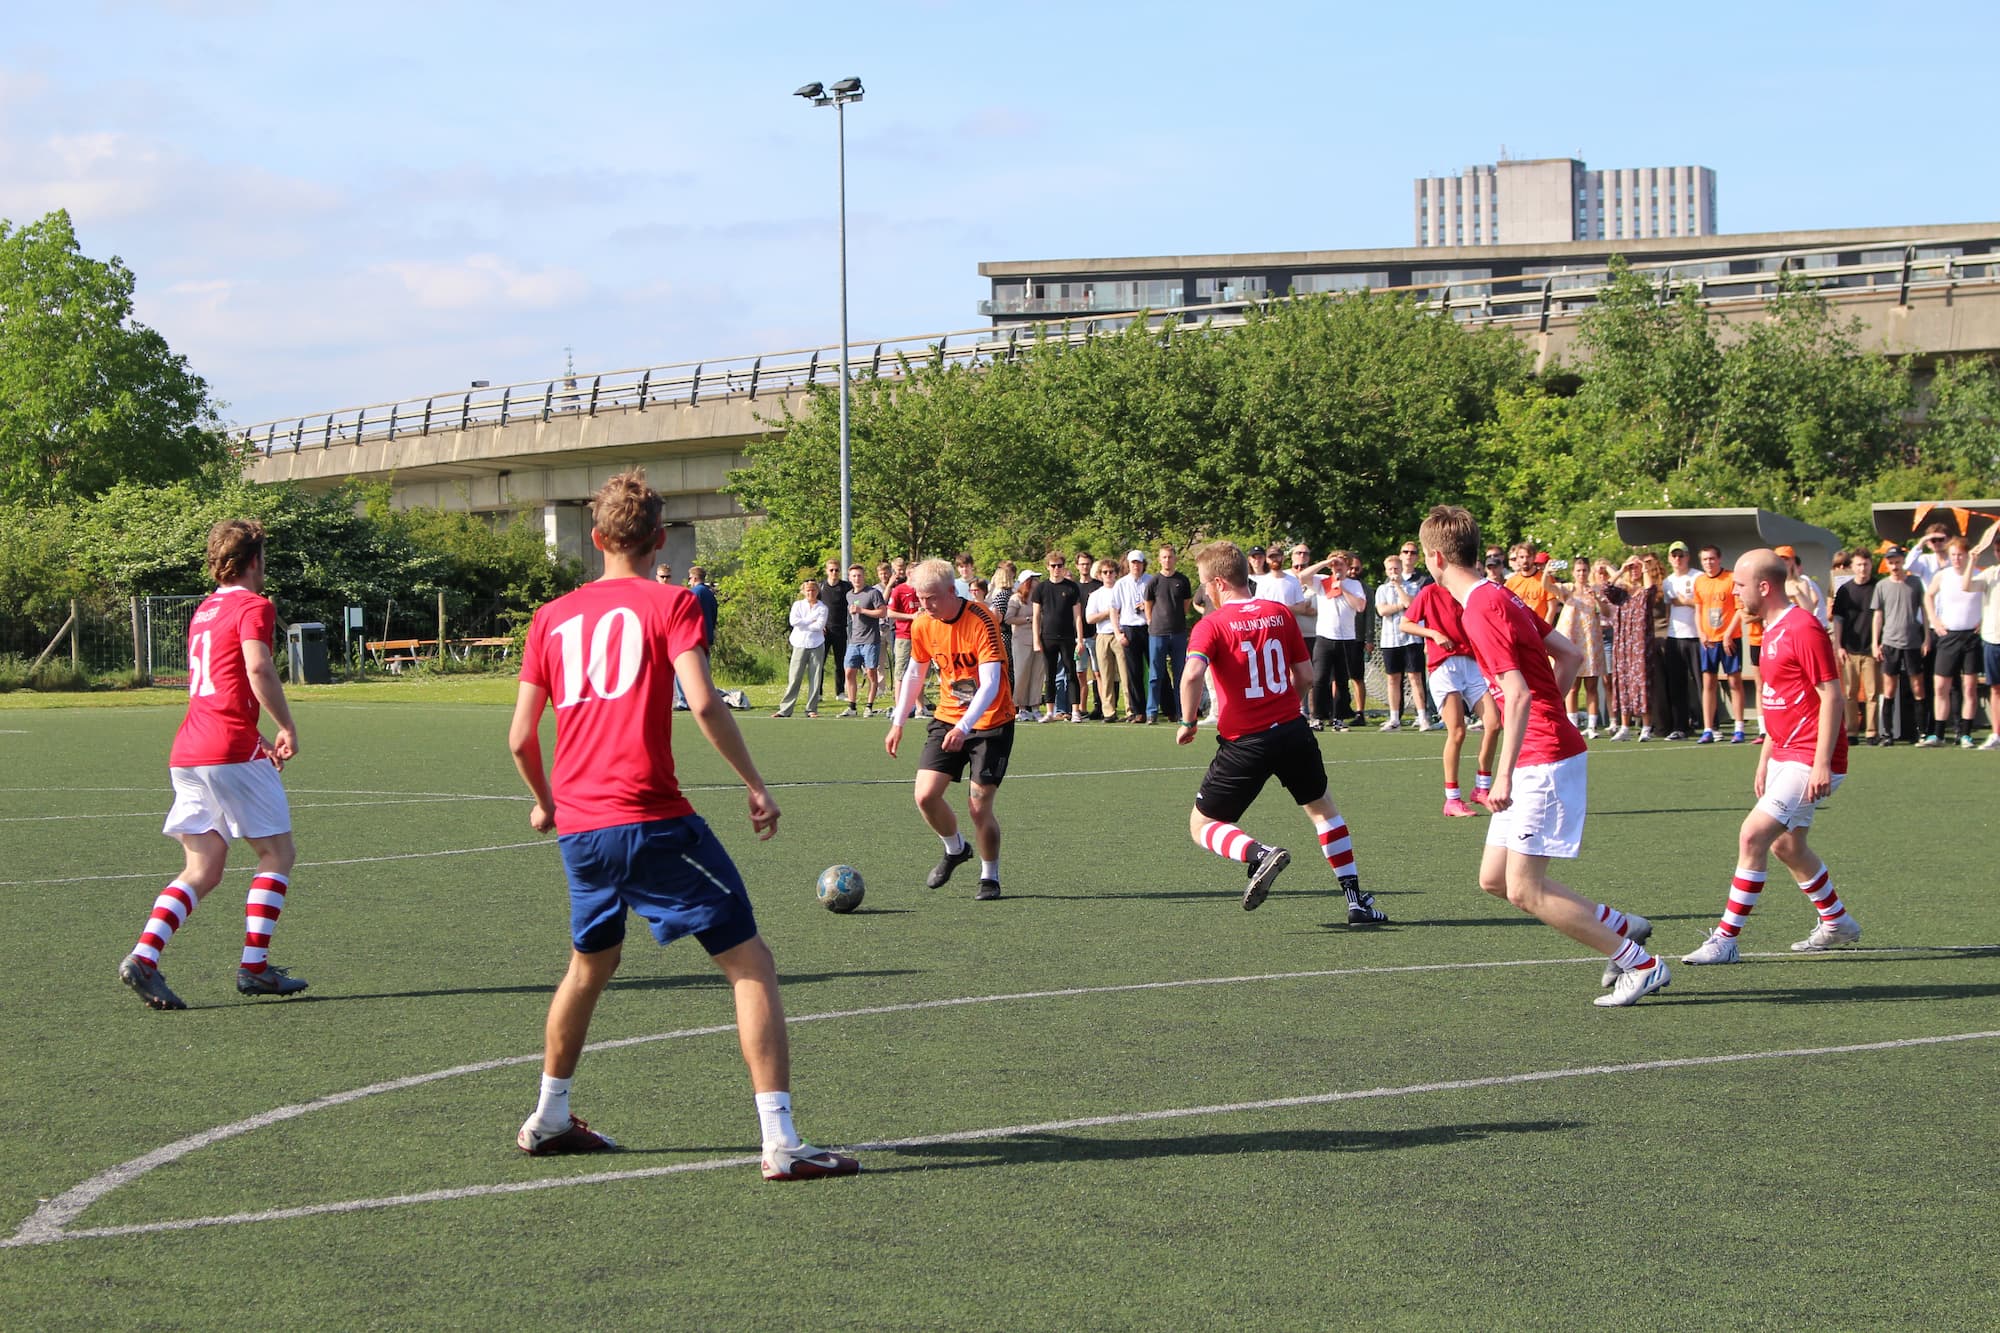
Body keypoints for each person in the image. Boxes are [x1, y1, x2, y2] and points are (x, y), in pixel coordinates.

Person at [507, 471, 858, 1179]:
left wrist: (546, 799)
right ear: (659, 539)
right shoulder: (671, 603)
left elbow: (519, 736)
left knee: (592, 963)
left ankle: (548, 1115)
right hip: (647, 817)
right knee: (750, 961)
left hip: (581, 830)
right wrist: (755, 784)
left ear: (597, 539)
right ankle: (782, 1141)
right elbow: (702, 702)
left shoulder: (550, 616)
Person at [1418, 505, 1668, 1007]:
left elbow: (1518, 693)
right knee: (1494, 879)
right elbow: (1570, 655)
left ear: (1436, 557)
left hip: (1542, 759)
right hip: (1542, 748)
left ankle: (1640, 964)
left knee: (1525, 890)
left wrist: (1501, 774)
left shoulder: (1480, 607)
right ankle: (1624, 927)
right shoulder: (1501, 594)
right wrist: (1546, 713)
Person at [118, 519, 308, 1010]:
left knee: (202, 866)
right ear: (254, 560)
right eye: (264, 557)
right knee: (276, 854)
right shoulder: (254, 605)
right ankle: (254, 967)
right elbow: (257, 667)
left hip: (189, 751)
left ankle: (145, 956)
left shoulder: (204, 611)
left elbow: (218, 688)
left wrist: (258, 736)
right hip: (226, 749)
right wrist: (285, 725)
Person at [1175, 540, 1386, 924]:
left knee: (1201, 825)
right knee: (1325, 813)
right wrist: (1286, 705)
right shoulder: (1278, 614)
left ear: (1219, 582)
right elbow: (1305, 676)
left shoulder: (1213, 624)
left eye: (1206, 584)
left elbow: (1192, 674)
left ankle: (1258, 854)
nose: (1205, 591)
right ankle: (1356, 901)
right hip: (1292, 731)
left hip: (1246, 742)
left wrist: (1188, 721)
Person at [1681, 550, 1859, 966]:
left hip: (1809, 755)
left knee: (1752, 835)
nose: (1734, 592)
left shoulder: (1803, 627)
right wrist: (1765, 757)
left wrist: (1821, 763)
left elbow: (1831, 695)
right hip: (1784, 752)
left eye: (1739, 586)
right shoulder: (1769, 629)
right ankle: (1838, 922)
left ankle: (1725, 940)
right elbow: (1778, 701)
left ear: (1764, 587)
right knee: (1786, 846)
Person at [885, 559, 1015, 901]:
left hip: (990, 722)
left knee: (978, 806)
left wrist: (964, 726)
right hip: (947, 717)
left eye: (930, 598)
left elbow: (990, 685)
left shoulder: (981, 620)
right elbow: (916, 672)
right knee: (925, 795)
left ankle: (990, 876)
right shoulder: (923, 624)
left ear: (950, 591)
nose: (924, 605)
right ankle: (955, 849)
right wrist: (898, 721)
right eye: (919, 599)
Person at [1399, 571, 1501, 816]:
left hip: (1473, 664)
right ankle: (1452, 799)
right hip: (1444, 666)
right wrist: (1433, 634)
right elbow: (1406, 622)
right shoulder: (1430, 592)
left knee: (1494, 723)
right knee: (1457, 731)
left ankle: (1482, 789)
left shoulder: (1471, 592)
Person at [1920, 535, 1986, 747]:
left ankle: (1965, 733)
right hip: (1948, 636)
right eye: (1953, 555)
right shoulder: (1942, 576)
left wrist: (1983, 621)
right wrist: (1935, 621)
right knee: (1940, 686)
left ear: (1967, 555)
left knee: (1969, 687)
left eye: (1960, 555)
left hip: (1971, 637)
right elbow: (1928, 596)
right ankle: (1938, 734)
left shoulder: (1978, 575)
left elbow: (1991, 600)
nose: (1956, 559)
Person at [1870, 545, 1927, 745]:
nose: (1895, 566)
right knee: (1889, 687)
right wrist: (1875, 643)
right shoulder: (1882, 586)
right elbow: (1877, 615)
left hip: (1912, 641)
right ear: (1887, 563)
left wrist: (1927, 637)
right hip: (1890, 641)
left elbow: (1925, 611)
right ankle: (1887, 733)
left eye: (1897, 561)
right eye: (1891, 562)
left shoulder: (1915, 582)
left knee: (1918, 685)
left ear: (1903, 561)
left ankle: (1922, 731)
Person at [1692, 544, 1746, 744]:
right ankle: (1708, 729)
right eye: (1705, 559)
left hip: (1730, 639)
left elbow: (1740, 609)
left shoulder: (1731, 579)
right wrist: (1701, 633)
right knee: (1708, 683)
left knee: (1734, 682)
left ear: (1719, 559)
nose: (1709, 562)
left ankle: (1739, 727)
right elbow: (1698, 610)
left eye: (1712, 558)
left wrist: (1728, 635)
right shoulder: (1699, 581)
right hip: (1709, 641)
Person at [1608, 553, 1659, 742]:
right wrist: (1622, 569)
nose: (1634, 570)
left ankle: (1646, 727)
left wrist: (1644, 567)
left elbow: (1650, 589)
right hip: (1623, 644)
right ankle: (1625, 726)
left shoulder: (1644, 593)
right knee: (1623, 682)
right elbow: (1607, 588)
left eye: (1636, 567)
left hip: (1640, 643)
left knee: (1642, 682)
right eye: (1633, 567)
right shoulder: (1621, 595)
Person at [1829, 551, 1878, 743]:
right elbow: (1838, 619)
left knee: (1873, 694)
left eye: (1865, 564)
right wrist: (1839, 645)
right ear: (1852, 567)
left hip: (1871, 649)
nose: (1862, 569)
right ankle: (1851, 732)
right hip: (1849, 649)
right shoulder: (1845, 590)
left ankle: (1872, 732)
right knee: (1849, 692)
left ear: (1871, 565)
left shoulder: (1878, 587)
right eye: (1858, 565)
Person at [1375, 553, 1424, 731]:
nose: (1394, 572)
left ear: (1401, 569)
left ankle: (1422, 716)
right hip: (1390, 640)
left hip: (1411, 638)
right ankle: (1394, 718)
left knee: (1415, 677)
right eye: (1390, 569)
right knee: (1393, 679)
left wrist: (1398, 587)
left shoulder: (1413, 586)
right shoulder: (1381, 589)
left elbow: (1411, 604)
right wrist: (1399, 606)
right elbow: (1382, 610)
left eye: (1396, 568)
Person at [1146, 544, 1194, 724]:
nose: (1167, 560)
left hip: (1178, 633)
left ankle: (1182, 711)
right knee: (1155, 676)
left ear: (1175, 559)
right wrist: (1152, 622)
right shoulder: (1154, 581)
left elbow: (1186, 604)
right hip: (1157, 633)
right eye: (1164, 557)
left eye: (1170, 557)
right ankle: (1152, 712)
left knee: (1180, 675)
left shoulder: (1182, 580)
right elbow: (1148, 604)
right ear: (1159, 559)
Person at [1032, 552, 1083, 723]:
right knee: (1050, 674)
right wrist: (1036, 640)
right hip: (1048, 637)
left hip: (1068, 637)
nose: (1056, 569)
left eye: (1059, 566)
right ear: (1048, 567)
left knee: (1071, 672)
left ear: (1064, 567)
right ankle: (1050, 711)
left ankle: (1075, 711)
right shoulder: (1041, 588)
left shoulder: (1071, 587)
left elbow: (1077, 616)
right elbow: (1037, 615)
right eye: (1053, 566)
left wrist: (1080, 640)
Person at [771, 579, 827, 719]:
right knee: (795, 677)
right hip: (799, 643)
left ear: (817, 591)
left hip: (816, 644)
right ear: (803, 591)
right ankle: (785, 709)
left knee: (815, 678)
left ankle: (811, 709)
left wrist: (804, 623)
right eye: (808, 590)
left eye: (813, 590)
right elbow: (794, 622)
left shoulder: (822, 608)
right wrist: (809, 620)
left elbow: (819, 626)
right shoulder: (798, 605)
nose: (810, 593)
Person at [1662, 540, 1701, 738]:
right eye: (1674, 555)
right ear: (1670, 558)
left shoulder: (1697, 577)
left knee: (1702, 682)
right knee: (1676, 684)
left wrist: (1686, 601)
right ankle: (1680, 726)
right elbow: (1668, 608)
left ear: (1688, 557)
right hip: (1674, 637)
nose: (1678, 559)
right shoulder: (1667, 581)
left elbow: (1704, 602)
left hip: (1696, 636)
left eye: (1681, 555)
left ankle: (1712, 725)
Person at [838, 563, 887, 718]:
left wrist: (862, 611)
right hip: (854, 640)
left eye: (859, 575)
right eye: (853, 576)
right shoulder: (849, 595)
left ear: (864, 576)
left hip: (870, 640)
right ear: (849, 578)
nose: (857, 578)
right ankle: (852, 707)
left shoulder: (873, 593)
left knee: (871, 673)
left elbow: (883, 612)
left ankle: (869, 706)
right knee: (849, 672)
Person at [1085, 557, 1130, 720]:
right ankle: (1109, 711)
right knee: (1105, 675)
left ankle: (1130, 710)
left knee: (1126, 675)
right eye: (1105, 572)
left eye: (1111, 572)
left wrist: (1115, 614)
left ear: (1116, 574)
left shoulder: (1123, 590)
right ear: (1100, 575)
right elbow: (1089, 618)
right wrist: (1109, 613)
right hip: (1102, 635)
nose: (1108, 575)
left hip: (1121, 634)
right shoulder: (1096, 595)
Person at [1112, 550, 1154, 722]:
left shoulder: (1151, 580)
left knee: (1157, 669)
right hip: (1129, 628)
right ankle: (1139, 711)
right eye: (1133, 563)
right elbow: (1114, 609)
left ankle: (1168, 708)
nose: (1136, 566)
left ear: (1143, 564)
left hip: (1149, 628)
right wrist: (1118, 632)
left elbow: (1158, 604)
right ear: (1128, 564)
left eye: (1138, 562)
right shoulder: (1121, 583)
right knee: (1134, 672)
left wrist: (1147, 606)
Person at [886, 560, 927, 719]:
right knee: (901, 672)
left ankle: (920, 708)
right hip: (904, 636)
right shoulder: (899, 590)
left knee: (920, 672)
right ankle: (900, 708)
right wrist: (911, 616)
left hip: (921, 637)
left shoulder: (922, 590)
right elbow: (890, 613)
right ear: (910, 573)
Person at [1005, 569, 1045, 720]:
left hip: (1039, 640)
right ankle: (1021, 707)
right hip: (1022, 640)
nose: (1037, 581)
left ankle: (1035, 706)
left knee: (1037, 674)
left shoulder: (1040, 598)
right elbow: (1008, 619)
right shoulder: (1016, 599)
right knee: (1022, 674)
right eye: (1034, 578)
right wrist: (1029, 619)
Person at [818, 558, 850, 705]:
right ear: (826, 571)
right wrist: (819, 624)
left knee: (840, 663)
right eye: (831, 570)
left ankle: (840, 692)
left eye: (837, 570)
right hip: (823, 631)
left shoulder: (846, 587)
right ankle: (818, 693)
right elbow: (814, 606)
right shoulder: (821, 587)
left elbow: (855, 600)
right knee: (819, 663)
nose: (834, 573)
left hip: (840, 630)